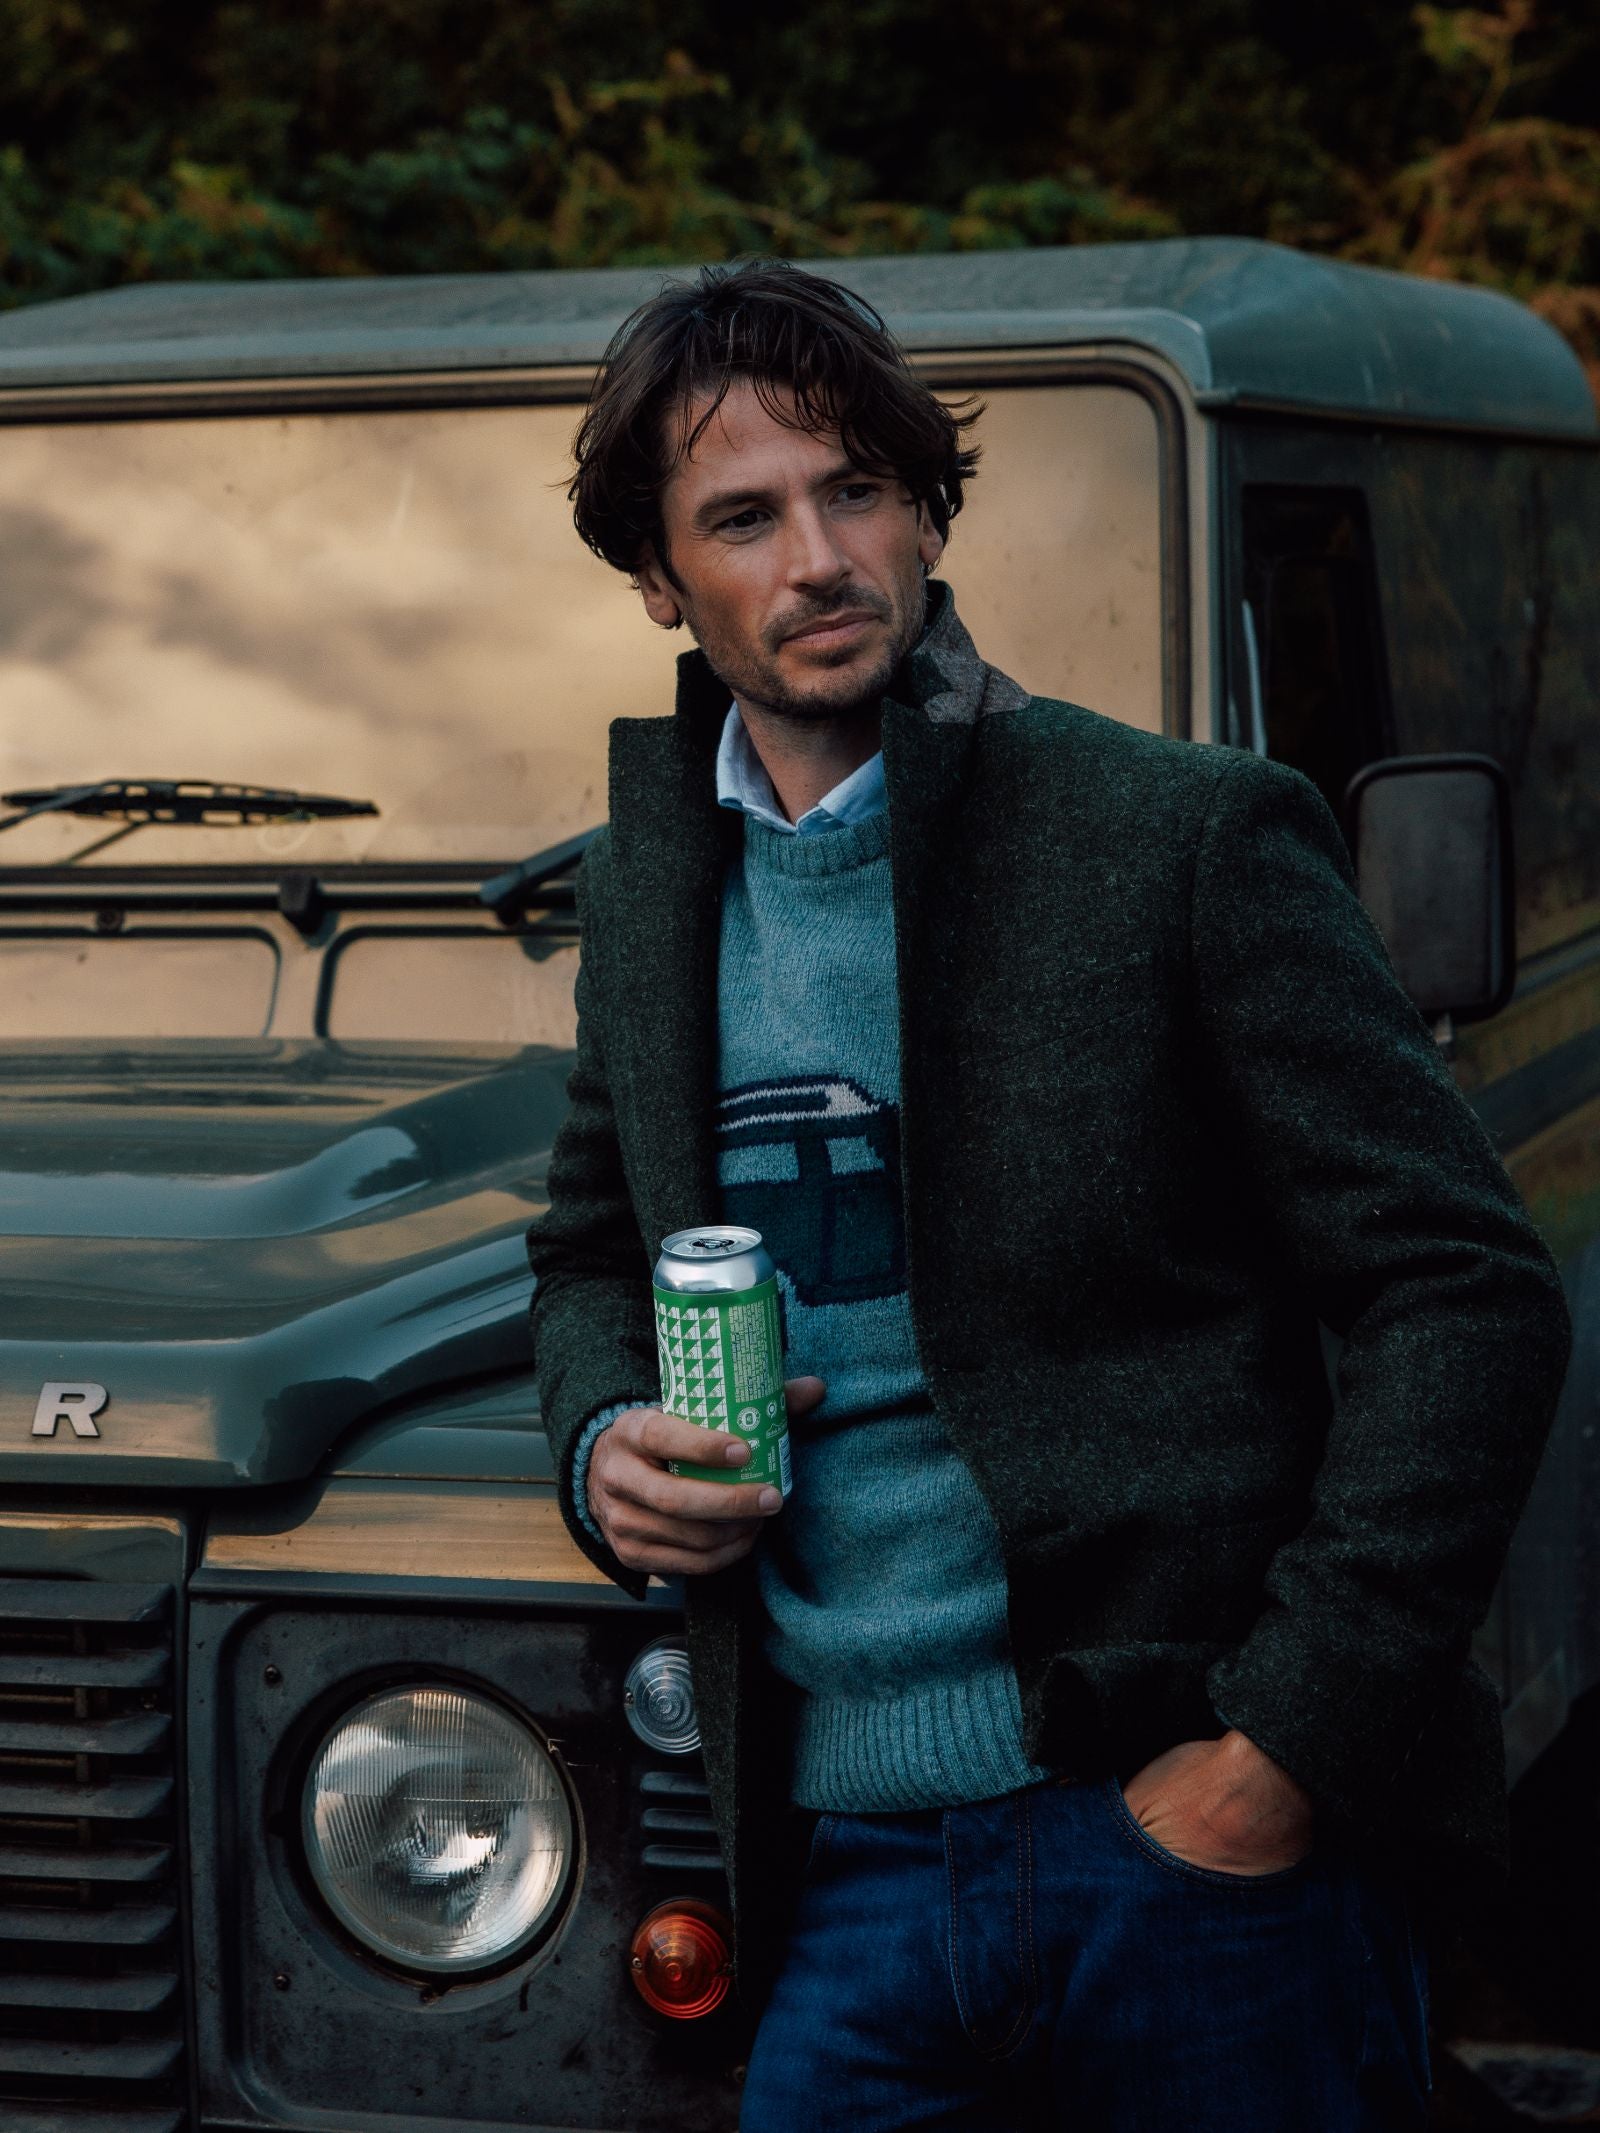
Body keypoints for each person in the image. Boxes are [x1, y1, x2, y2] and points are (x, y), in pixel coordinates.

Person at [526, 257, 1571, 2131]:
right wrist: (605, 1433)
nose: (816, 558)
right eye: (742, 518)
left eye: (856, 489)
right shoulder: (646, 894)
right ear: (663, 581)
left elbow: (1464, 1292)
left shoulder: (1178, 834)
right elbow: (594, 1252)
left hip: (1178, 1843)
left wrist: (1278, 1753)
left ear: (926, 509)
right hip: (834, 1869)